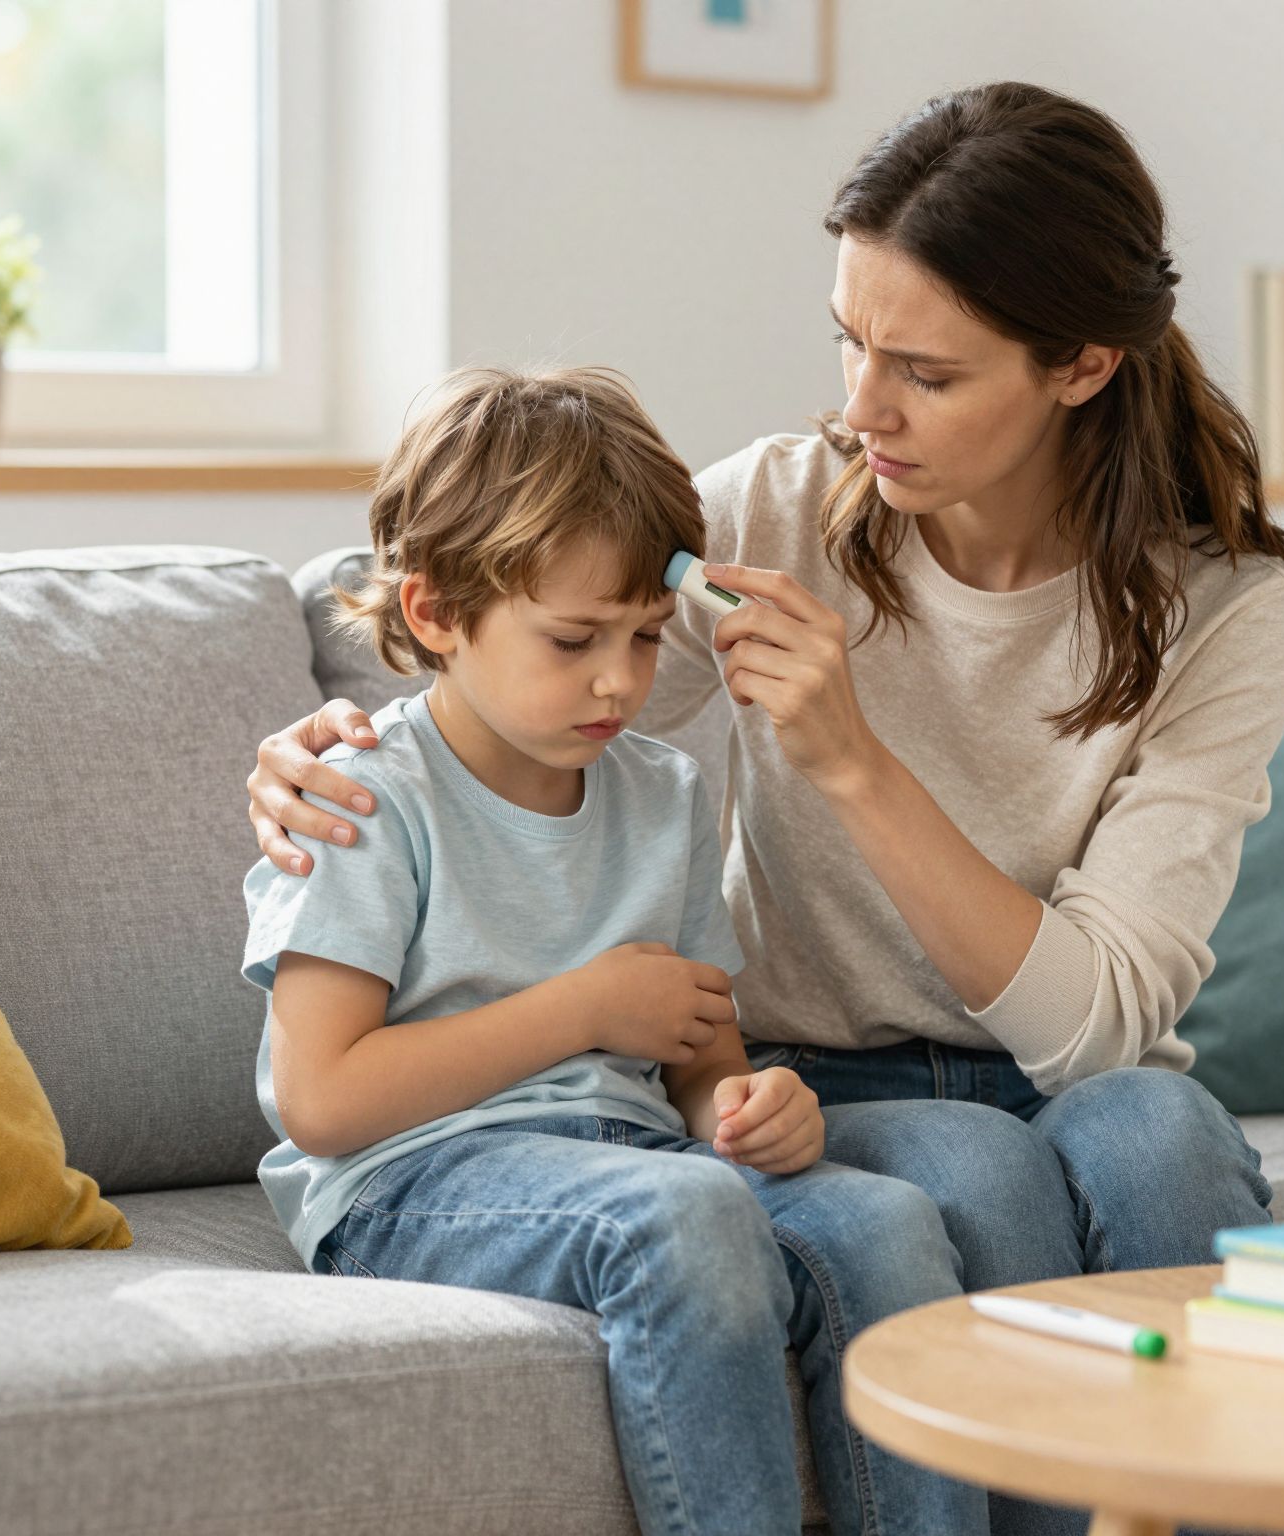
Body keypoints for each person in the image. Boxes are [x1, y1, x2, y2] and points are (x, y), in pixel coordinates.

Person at [246, 83, 1284, 1536]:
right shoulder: (774, 512)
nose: (860, 408)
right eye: (848, 341)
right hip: (837, 1070)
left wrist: (853, 761)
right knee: (972, 1174)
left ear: (1080, 365)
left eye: (926, 374)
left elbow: (1098, 1024)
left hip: (1061, 1060)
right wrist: (310, 729)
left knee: (1158, 1139)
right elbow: (497, 597)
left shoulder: (1225, 603)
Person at [240, 364, 984, 1536]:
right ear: (435, 613)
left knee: (882, 1225)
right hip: (418, 1181)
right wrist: (583, 1009)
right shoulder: (362, 800)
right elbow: (322, 1100)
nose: (621, 681)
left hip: (642, 1157)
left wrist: (744, 1105)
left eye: (644, 637)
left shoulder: (662, 792)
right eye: (575, 638)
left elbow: (699, 1054)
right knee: (680, 1217)